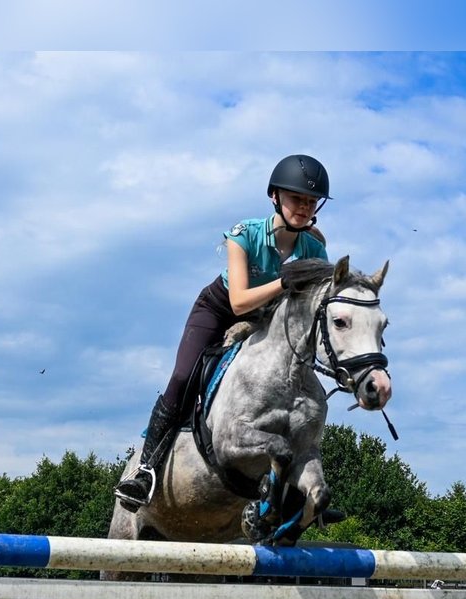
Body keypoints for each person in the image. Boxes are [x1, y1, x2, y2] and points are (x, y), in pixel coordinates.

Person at [114, 154, 332, 512]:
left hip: (268, 324)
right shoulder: (244, 234)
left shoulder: (315, 249)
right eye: (298, 199)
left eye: (311, 202)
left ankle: (292, 495)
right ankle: (145, 471)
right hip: (219, 310)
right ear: (275, 196)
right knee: (184, 376)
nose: (305, 207)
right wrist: (283, 280)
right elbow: (241, 301)